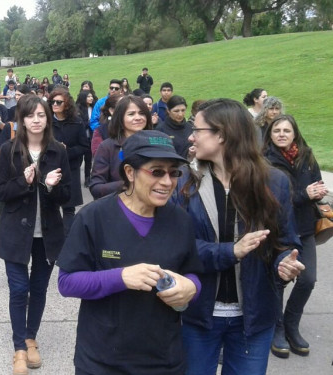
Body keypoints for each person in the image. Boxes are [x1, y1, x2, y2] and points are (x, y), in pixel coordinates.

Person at [174, 98, 305, 375]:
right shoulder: (183, 181)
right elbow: (176, 249)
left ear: (221, 134)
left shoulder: (274, 182)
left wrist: (285, 262)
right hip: (198, 315)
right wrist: (230, 252)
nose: (191, 136)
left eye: (197, 130)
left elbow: (285, 241)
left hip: (254, 318)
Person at [57, 130, 203, 375]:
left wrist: (192, 288)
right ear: (129, 172)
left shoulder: (180, 220)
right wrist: (121, 277)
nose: (167, 182)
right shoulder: (94, 217)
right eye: (157, 171)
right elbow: (67, 282)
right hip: (102, 361)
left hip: (163, 360)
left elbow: (192, 273)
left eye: (173, 173)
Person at [0, 95, 71, 375]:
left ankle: (30, 337)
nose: (36, 120)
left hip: (48, 234)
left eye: (41, 115)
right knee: (19, 289)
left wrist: (50, 186)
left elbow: (68, 196)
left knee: (38, 289)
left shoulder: (58, 151)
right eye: (30, 115)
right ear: (21, 120)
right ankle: (19, 348)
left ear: (48, 118)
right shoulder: (7, 150)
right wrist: (24, 182)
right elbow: (0, 193)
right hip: (15, 232)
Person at [263, 114, 327, 359]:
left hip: (305, 228)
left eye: (286, 130)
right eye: (276, 130)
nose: (281, 134)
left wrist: (318, 192)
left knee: (307, 279)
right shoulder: (265, 161)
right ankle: (277, 328)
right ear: (270, 134)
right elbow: (272, 201)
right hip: (278, 231)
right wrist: (304, 195)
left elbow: (316, 184)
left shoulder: (307, 155)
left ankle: (291, 323)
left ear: (294, 133)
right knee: (278, 282)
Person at [89, 96, 153, 200]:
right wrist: (126, 184)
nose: (138, 117)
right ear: (120, 117)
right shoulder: (107, 147)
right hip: (117, 206)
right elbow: (96, 187)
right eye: (131, 114)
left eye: (142, 113)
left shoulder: (154, 144)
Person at [49, 88, 88, 233]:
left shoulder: (77, 122)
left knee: (68, 208)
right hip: (49, 168)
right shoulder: (46, 122)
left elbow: (84, 146)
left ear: (67, 104)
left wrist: (67, 151)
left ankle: (67, 243)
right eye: (52, 101)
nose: (55, 104)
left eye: (59, 102)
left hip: (70, 169)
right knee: (49, 206)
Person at [75, 90, 95, 187]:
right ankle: (75, 178)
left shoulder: (93, 107)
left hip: (90, 138)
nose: (91, 98)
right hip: (80, 138)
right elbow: (80, 123)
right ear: (83, 98)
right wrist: (90, 123)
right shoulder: (78, 109)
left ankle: (87, 178)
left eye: (91, 96)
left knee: (88, 159)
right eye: (88, 96)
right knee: (78, 160)